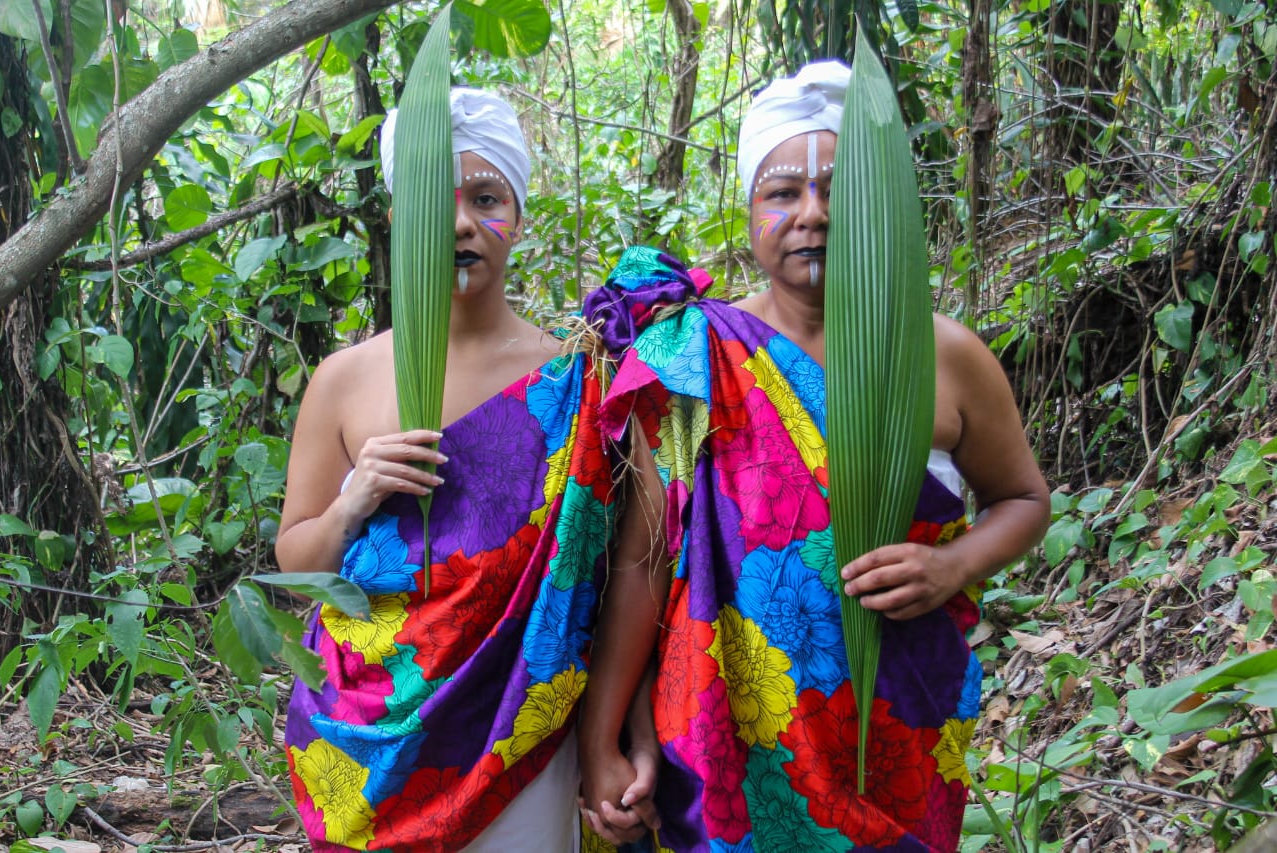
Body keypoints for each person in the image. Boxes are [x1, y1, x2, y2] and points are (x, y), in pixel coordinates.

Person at [580, 60, 1051, 851]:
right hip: (729, 730)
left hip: (896, 720)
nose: (813, 213)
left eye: (839, 190)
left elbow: (1025, 501)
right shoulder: (694, 355)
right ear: (749, 211)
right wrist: (604, 736)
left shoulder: (942, 355)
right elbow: (643, 560)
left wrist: (952, 565)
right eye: (783, 192)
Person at [278, 88, 658, 852]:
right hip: (365, 738)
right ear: (395, 219)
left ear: (517, 214)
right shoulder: (345, 380)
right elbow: (296, 563)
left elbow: (637, 562)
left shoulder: (584, 376)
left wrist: (617, 729)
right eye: (432, 201)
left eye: (486, 197)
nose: (458, 224)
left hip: (524, 727)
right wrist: (354, 500)